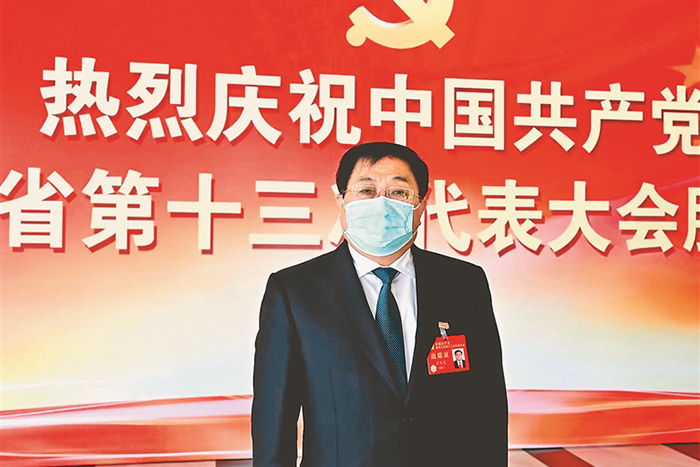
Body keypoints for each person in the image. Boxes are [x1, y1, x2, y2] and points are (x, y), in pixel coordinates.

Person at [252, 142, 508, 466]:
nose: (382, 204)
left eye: (399, 192)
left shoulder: (464, 284)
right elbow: (274, 421)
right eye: (366, 190)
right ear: (341, 201)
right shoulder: (295, 291)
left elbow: (487, 405)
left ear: (421, 205)